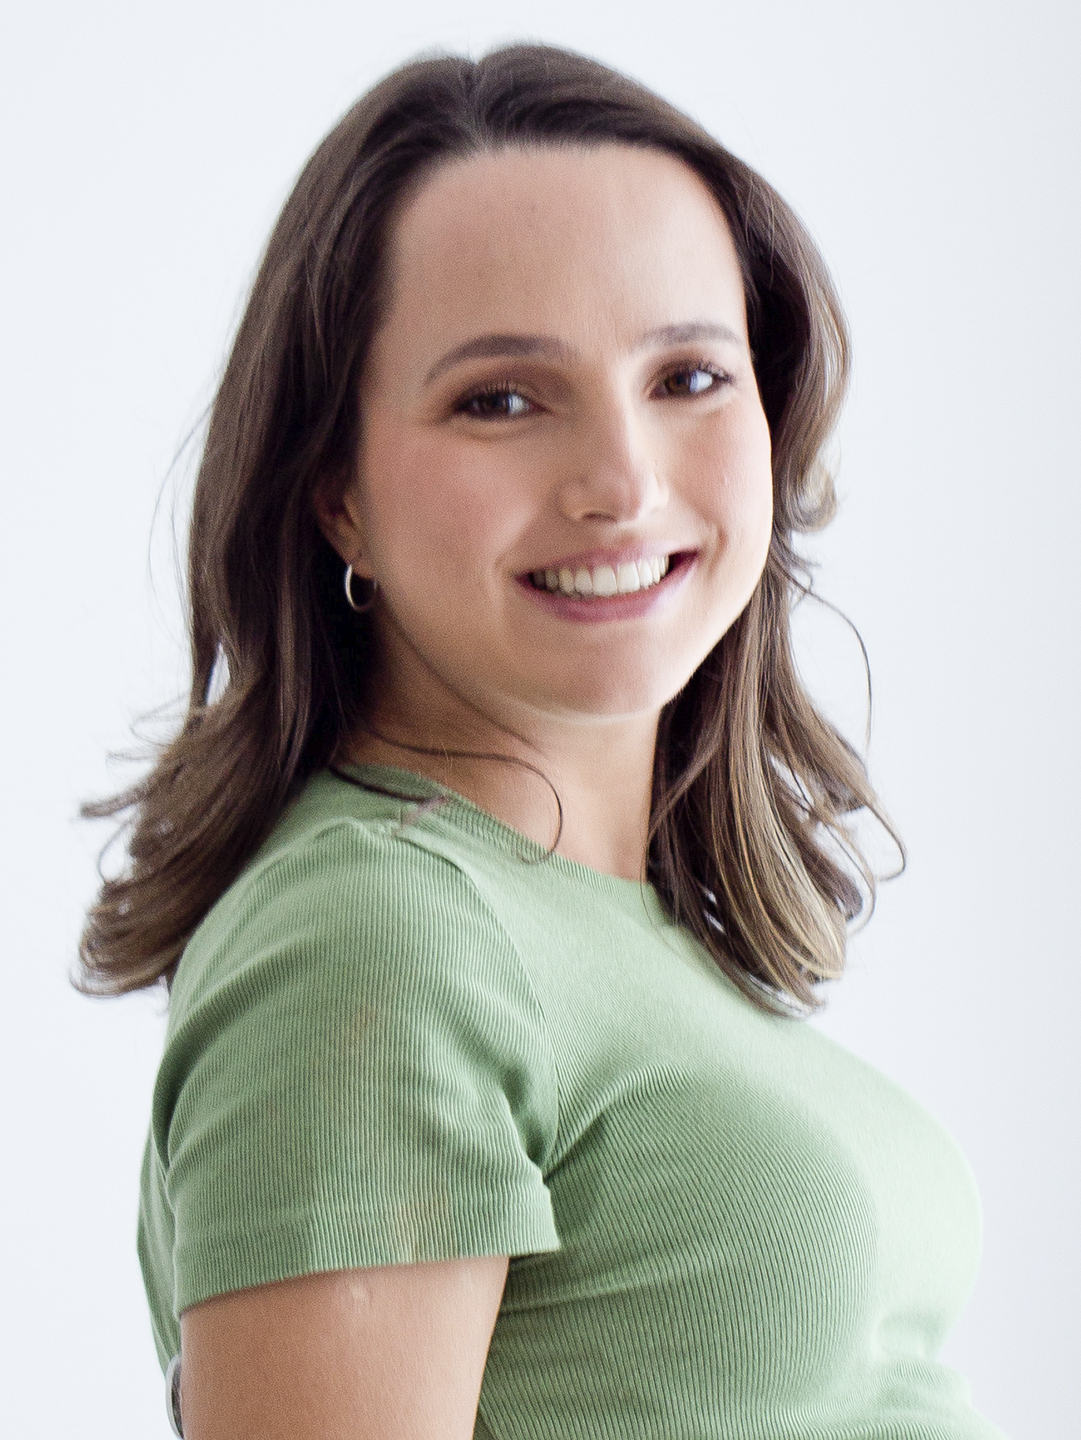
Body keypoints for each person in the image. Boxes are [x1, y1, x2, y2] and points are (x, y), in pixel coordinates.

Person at [78, 42, 1007, 1440]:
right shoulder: (380, 934)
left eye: (688, 376)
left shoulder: (613, 927)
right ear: (337, 493)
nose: (620, 481)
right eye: (500, 399)